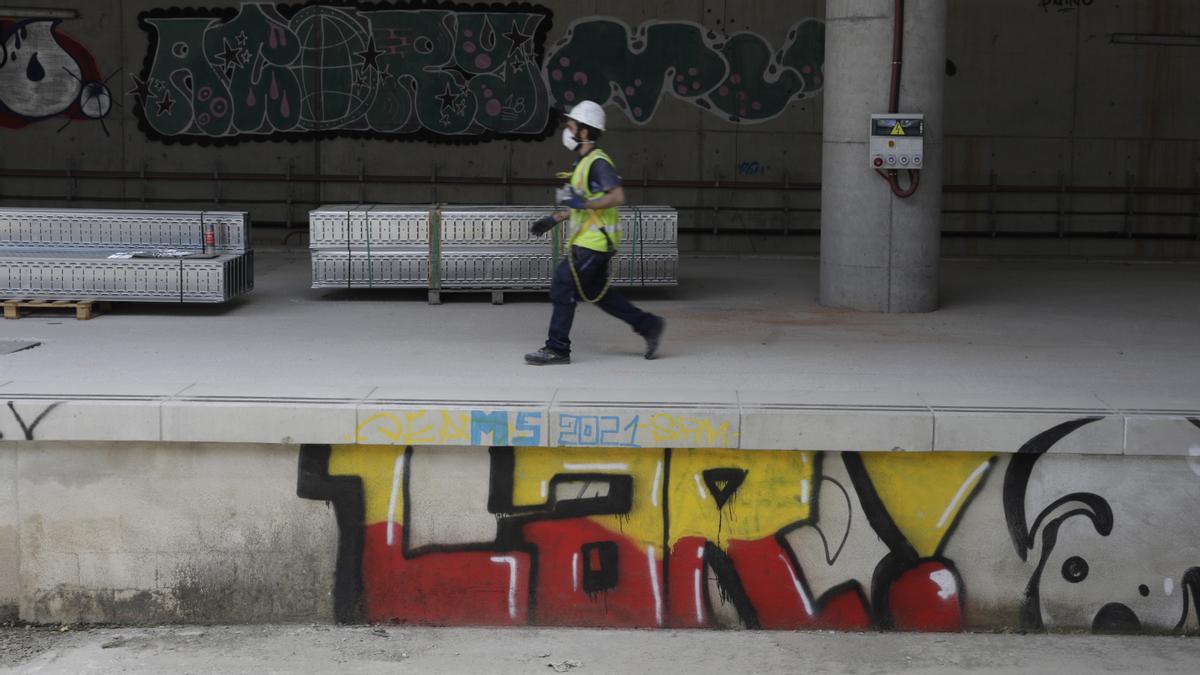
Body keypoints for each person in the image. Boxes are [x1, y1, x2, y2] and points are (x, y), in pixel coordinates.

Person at [524, 100, 665, 366]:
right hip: (590, 242)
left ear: (585, 131)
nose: (568, 126)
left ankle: (557, 348)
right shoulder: (582, 163)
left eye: (573, 123)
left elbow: (617, 196)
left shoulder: (599, 163)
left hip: (594, 244)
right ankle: (649, 325)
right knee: (601, 295)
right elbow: (580, 205)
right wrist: (555, 218)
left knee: (562, 285)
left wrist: (584, 204)